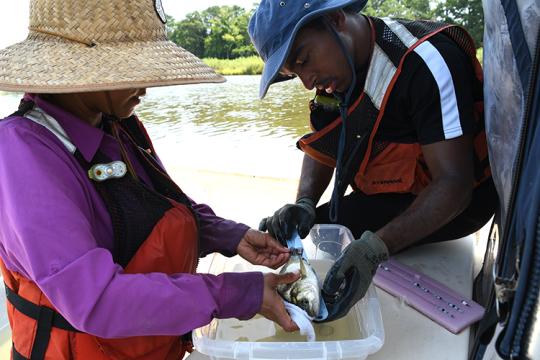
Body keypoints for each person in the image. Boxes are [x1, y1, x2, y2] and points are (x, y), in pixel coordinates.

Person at [0, 1, 300, 359]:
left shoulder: (118, 126)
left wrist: (230, 235)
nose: (148, 85)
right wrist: (235, 293)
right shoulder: (22, 153)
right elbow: (97, 301)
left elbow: (158, 205)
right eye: (135, 68)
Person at [249, 0, 497, 322]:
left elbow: (456, 184)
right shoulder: (333, 75)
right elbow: (325, 142)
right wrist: (306, 202)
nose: (307, 82)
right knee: (308, 236)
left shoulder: (426, 62)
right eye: (294, 73)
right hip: (391, 193)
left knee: (342, 246)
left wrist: (375, 248)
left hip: (460, 203)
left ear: (337, 18)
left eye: (304, 60)